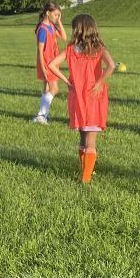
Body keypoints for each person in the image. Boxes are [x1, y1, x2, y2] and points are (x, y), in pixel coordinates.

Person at [46, 13, 117, 183]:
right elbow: (111, 65)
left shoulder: (71, 49)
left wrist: (67, 82)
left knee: (83, 138)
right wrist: (100, 82)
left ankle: (86, 171)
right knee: (91, 141)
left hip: (77, 98)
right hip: (94, 98)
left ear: (77, 30)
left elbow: (52, 65)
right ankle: (85, 178)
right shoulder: (98, 48)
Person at [31, 2, 67, 124]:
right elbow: (40, 51)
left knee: (47, 89)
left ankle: (42, 115)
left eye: (58, 15)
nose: (57, 17)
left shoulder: (51, 26)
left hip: (53, 63)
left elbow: (64, 37)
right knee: (54, 89)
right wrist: (43, 67)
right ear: (48, 13)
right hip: (47, 64)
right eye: (56, 15)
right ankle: (41, 115)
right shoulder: (42, 29)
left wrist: (59, 22)